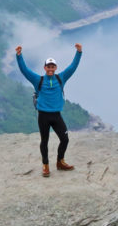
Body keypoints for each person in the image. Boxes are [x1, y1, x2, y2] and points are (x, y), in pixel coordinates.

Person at [16, 43, 83, 177]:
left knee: (65, 139)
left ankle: (60, 162)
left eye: (53, 67)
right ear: (45, 68)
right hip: (43, 116)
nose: (50, 69)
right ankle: (45, 165)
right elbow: (25, 70)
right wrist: (19, 56)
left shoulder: (61, 78)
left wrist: (79, 53)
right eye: (48, 67)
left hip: (56, 115)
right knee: (44, 141)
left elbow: (72, 67)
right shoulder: (38, 80)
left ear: (55, 67)